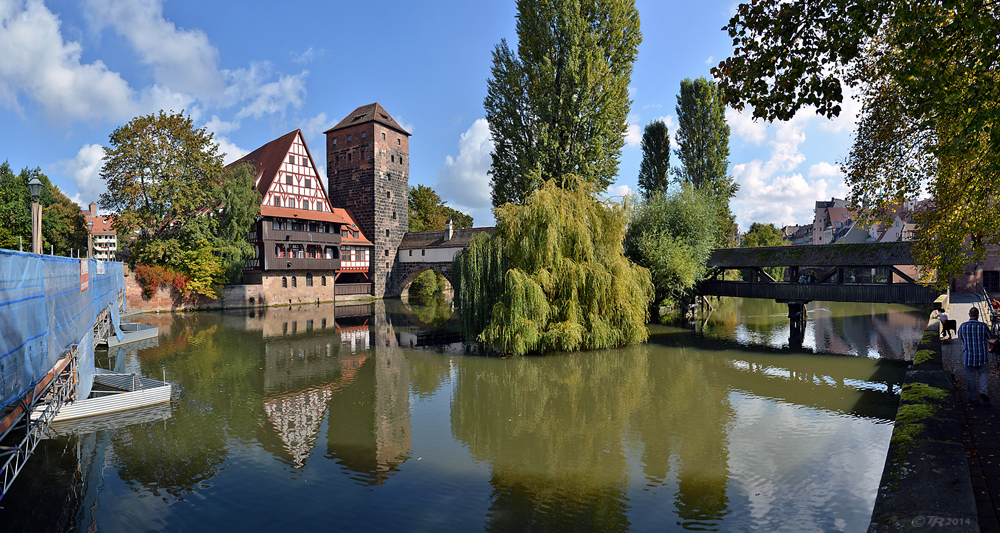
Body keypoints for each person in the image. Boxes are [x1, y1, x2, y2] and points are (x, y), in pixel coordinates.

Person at [958, 306, 994, 404]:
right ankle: (983, 391)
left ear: (969, 315)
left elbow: (960, 337)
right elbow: (990, 336)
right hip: (982, 356)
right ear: (978, 315)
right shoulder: (983, 326)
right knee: (984, 373)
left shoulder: (963, 326)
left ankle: (972, 397)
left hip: (969, 357)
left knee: (970, 376)